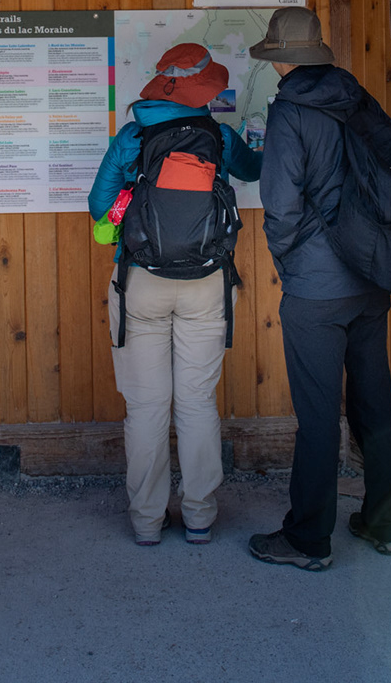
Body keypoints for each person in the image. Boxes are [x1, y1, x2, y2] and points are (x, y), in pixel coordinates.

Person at [244, 6, 391, 570]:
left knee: (317, 416)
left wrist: (291, 263)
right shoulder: (355, 97)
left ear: (279, 61)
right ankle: (385, 522)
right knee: (373, 401)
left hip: (316, 288)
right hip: (371, 277)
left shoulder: (290, 113)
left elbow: (281, 205)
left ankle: (309, 538)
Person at [87, 42, 261, 546]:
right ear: (203, 91)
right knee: (197, 402)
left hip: (141, 281)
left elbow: (100, 207)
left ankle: (146, 520)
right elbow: (252, 171)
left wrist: (130, 210)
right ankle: (201, 517)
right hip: (207, 283)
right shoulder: (219, 136)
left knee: (145, 407)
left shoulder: (133, 135)